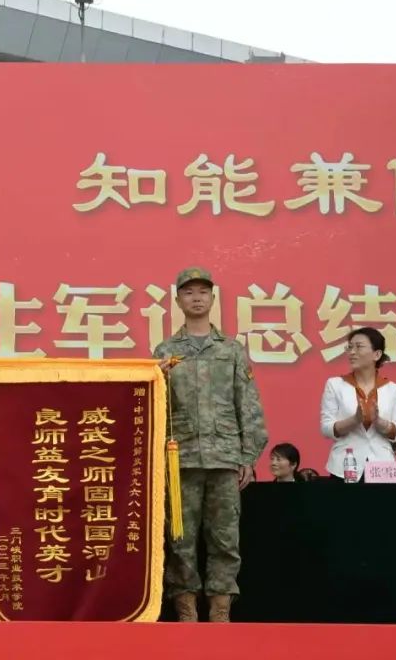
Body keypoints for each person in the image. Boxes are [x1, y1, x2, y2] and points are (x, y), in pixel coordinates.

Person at [153, 267, 267, 623]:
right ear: (178, 301)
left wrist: (248, 456)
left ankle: (220, 607)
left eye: (203, 292)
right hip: (181, 459)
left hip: (224, 457)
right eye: (189, 292)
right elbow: (156, 406)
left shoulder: (231, 350)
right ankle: (185, 606)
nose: (197, 298)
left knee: (224, 538)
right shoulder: (166, 351)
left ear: (213, 298)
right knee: (180, 538)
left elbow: (247, 403)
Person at [320, 327, 396, 481]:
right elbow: (326, 428)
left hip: (382, 466)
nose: (352, 352)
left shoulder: (393, 389)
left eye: (358, 347)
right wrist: (355, 420)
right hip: (344, 465)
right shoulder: (335, 384)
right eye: (349, 347)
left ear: (377, 354)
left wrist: (379, 422)